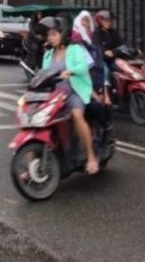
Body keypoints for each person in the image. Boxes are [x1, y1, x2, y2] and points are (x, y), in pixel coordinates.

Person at [39, 16, 101, 175]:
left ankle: (91, 156)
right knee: (37, 121)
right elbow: (43, 74)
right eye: (49, 35)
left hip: (74, 92)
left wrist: (71, 71)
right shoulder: (48, 54)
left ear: (63, 33)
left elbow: (82, 66)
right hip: (55, 96)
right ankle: (34, 165)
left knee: (77, 115)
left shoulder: (75, 49)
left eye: (54, 34)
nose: (51, 38)